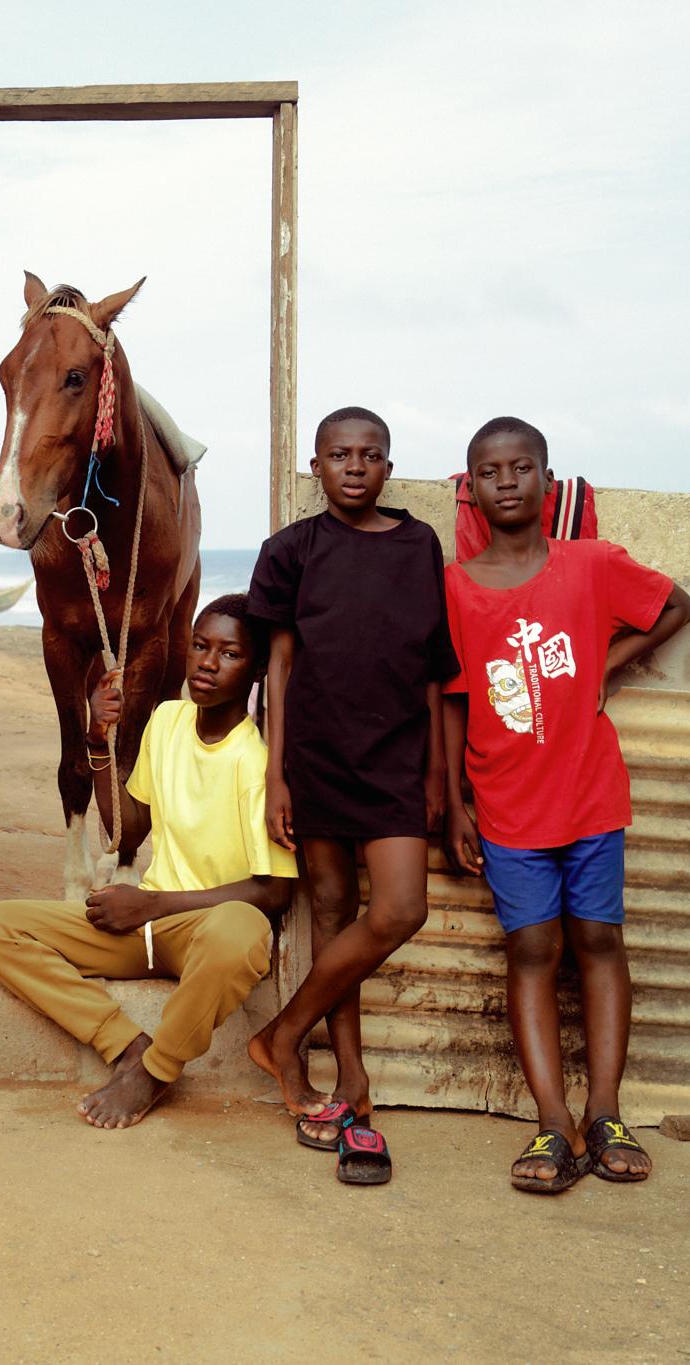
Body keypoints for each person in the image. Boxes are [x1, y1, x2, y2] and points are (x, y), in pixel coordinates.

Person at [442, 416, 690, 1193]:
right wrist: (453, 802)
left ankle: (605, 1111)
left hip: (589, 793)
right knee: (531, 948)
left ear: (548, 483)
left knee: (598, 938)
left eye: (522, 467)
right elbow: (449, 698)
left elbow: (677, 606)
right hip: (506, 801)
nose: (507, 481)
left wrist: (604, 667)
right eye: (491, 471)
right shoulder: (455, 587)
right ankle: (553, 1121)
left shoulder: (591, 564)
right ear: (471, 489)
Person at [0, 595, 296, 1130]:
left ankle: (155, 1070)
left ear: (257, 669)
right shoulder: (168, 720)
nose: (207, 663)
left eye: (229, 653)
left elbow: (274, 893)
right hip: (145, 928)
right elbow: (131, 828)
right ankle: (125, 1045)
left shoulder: (255, 761)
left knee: (240, 933)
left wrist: (151, 904)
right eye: (199, 646)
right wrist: (97, 740)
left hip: (205, 931)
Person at [241, 406, 457, 1184]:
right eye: (339, 455)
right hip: (317, 755)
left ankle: (283, 1032)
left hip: (395, 756)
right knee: (332, 913)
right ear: (317, 467)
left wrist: (436, 774)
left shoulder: (417, 544)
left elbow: (432, 665)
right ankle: (352, 1078)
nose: (355, 466)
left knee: (399, 909)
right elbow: (278, 667)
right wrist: (276, 775)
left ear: (388, 468)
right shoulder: (291, 550)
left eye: (369, 455)